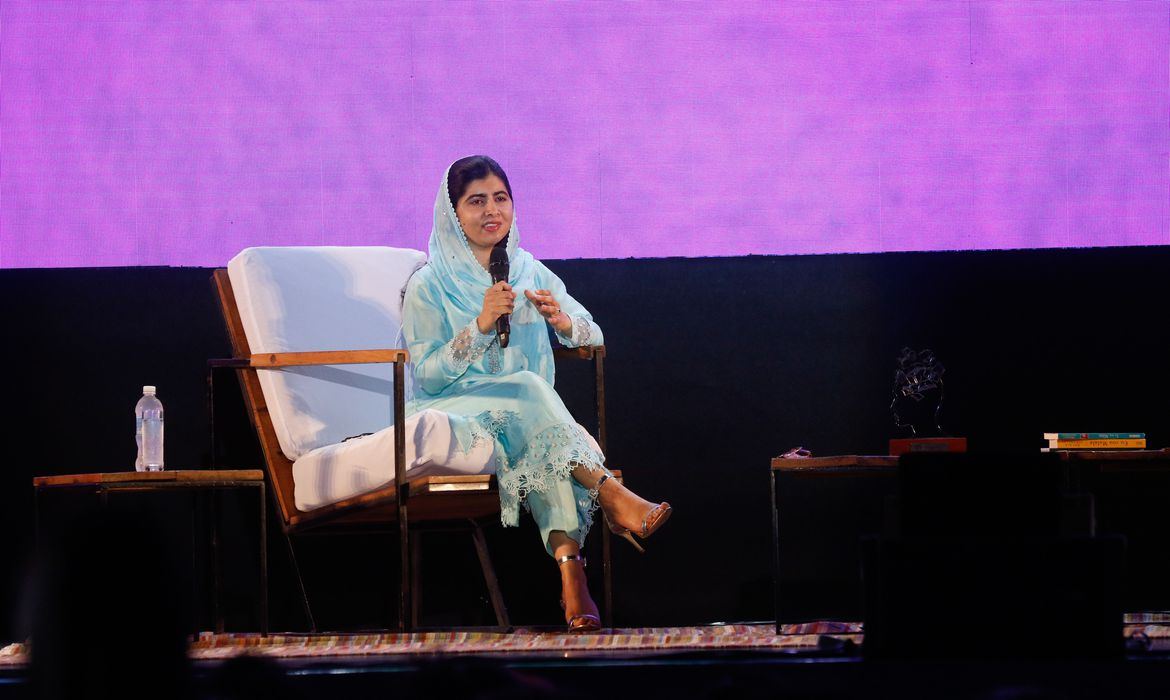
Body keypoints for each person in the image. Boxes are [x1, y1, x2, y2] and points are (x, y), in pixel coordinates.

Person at [401, 155, 671, 632]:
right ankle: (609, 494)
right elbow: (428, 375)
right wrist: (481, 324)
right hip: (453, 407)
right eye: (476, 201)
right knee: (534, 396)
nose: (492, 211)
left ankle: (572, 579)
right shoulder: (427, 284)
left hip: (527, 412)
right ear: (452, 213)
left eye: (501, 198)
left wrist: (563, 322)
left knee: (543, 431)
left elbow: (593, 334)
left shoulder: (530, 271)